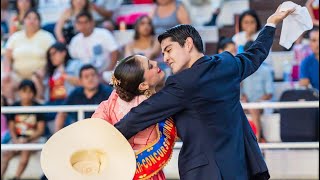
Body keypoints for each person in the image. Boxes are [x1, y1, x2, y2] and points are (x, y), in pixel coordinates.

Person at [115, 6, 294, 179]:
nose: (166, 58)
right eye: (163, 53)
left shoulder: (182, 83)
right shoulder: (227, 64)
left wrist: (108, 138)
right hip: (239, 166)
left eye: (169, 50)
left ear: (188, 44)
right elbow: (256, 54)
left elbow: (141, 114)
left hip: (205, 172)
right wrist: (271, 23)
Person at [92, 55, 176, 180]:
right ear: (142, 85)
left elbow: (95, 136)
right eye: (150, 66)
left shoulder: (107, 105)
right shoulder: (157, 105)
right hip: (148, 174)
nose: (155, 63)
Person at [2, 9, 55, 104]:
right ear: (24, 21)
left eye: (35, 19)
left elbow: (53, 58)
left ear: (39, 22)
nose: (32, 21)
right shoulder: (15, 37)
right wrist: (7, 72)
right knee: (6, 81)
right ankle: (10, 111)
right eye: (29, 18)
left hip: (38, 75)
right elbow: (7, 57)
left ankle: (38, 112)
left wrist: (44, 71)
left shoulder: (47, 37)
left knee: (37, 80)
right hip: (17, 75)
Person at [1, 79, 46, 180]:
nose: (27, 95)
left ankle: (16, 177)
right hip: (17, 138)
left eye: (30, 92)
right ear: (19, 92)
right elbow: (11, 127)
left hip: (33, 139)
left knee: (25, 151)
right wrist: (16, 140)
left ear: (33, 93)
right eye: (24, 91)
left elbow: (40, 130)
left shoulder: (38, 107)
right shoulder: (14, 107)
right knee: (6, 155)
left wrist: (27, 139)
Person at [54, 64, 113, 132]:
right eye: (86, 76)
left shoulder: (108, 92)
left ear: (98, 77)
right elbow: (62, 113)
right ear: (80, 80)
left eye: (93, 75)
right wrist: (57, 136)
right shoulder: (75, 93)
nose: (90, 78)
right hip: (79, 134)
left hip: (103, 132)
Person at [241, 41, 274, 142]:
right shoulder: (242, 69)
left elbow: (269, 94)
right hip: (247, 104)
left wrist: (256, 102)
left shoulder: (266, 70)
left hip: (263, 104)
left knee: (253, 108)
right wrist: (243, 97)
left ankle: (257, 139)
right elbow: (241, 91)